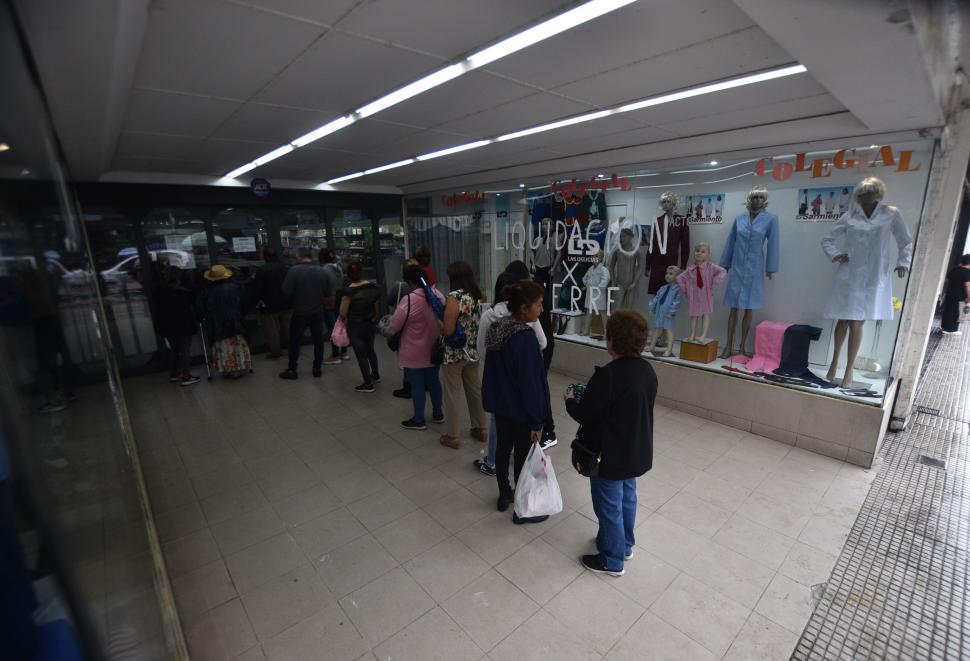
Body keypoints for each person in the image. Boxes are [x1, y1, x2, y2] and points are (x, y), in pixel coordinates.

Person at [565, 310, 657, 577]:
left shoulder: (609, 375)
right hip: (635, 451)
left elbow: (583, 413)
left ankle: (612, 560)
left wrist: (570, 399)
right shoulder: (647, 371)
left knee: (608, 507)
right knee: (627, 498)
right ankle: (625, 545)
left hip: (609, 456)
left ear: (612, 340)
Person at [482, 280, 551, 524]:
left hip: (502, 406)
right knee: (523, 458)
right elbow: (531, 384)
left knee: (502, 450)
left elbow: (490, 371)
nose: (541, 310)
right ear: (524, 308)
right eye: (539, 305)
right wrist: (537, 419)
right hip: (522, 412)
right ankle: (522, 509)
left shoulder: (497, 328)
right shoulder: (525, 339)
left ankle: (504, 493)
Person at [474, 270, 547, 476]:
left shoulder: (491, 318)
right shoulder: (526, 330)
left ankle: (498, 476)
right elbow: (543, 343)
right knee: (521, 441)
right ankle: (518, 491)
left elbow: (481, 350)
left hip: (499, 387)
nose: (541, 309)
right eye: (539, 304)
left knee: (501, 434)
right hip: (521, 398)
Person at [438, 261, 488, 449]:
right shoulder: (475, 296)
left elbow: (449, 330)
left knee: (452, 394)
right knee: (474, 391)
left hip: (454, 355)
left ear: (454, 277)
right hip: (472, 352)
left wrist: (438, 321)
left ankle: (453, 436)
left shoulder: (454, 297)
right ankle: (480, 428)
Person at [390, 264, 445, 430]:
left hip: (413, 352)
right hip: (435, 349)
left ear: (410, 282)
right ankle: (438, 414)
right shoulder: (438, 295)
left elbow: (395, 325)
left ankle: (419, 419)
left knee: (417, 385)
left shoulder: (409, 300)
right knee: (434, 382)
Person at [279, 247, 332, 379]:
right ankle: (317, 368)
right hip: (317, 311)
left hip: (300, 311)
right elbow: (327, 292)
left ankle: (292, 369)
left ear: (298, 256)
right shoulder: (322, 271)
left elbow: (286, 291)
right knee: (318, 340)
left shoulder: (294, 271)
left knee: (295, 341)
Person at [197, 264, 252, 379]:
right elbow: (244, 303)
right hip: (235, 319)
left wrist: (200, 317)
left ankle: (226, 369)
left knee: (222, 345)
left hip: (217, 323)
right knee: (237, 343)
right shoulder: (236, 286)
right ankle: (238, 368)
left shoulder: (207, 290)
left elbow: (201, 308)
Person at [154, 264, 200, 385]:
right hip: (183, 324)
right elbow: (192, 302)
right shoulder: (183, 291)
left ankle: (174, 374)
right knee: (185, 350)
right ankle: (186, 375)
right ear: (178, 275)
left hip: (168, 326)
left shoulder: (159, 290)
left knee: (174, 350)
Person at [339, 261, 381, 391]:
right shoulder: (372, 287)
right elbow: (376, 307)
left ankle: (368, 384)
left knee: (361, 354)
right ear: (362, 272)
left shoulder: (348, 291)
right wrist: (373, 318)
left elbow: (343, 312)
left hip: (356, 326)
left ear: (348, 274)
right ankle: (375, 374)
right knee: (371, 350)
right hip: (370, 323)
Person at [251, 248, 291, 359]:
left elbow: (257, 290)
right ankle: (291, 347)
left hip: (269, 305)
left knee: (272, 330)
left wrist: (257, 302)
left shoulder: (261, 270)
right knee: (287, 327)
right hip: (286, 303)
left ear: (266, 257)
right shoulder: (285, 268)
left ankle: (275, 351)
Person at [390, 258, 420, 399]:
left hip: (405, 328)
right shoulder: (426, 287)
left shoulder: (399, 287)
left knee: (407, 358)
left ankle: (408, 387)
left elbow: (390, 301)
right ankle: (423, 384)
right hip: (423, 327)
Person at [320, 249, 349, 364]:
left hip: (328, 301)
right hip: (340, 299)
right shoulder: (339, 268)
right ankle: (344, 352)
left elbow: (323, 287)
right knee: (342, 326)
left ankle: (335, 355)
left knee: (333, 329)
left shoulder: (323, 270)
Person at [941, 254, 970, 335]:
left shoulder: (955, 269)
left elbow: (946, 280)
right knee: (956, 312)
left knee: (948, 309)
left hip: (950, 293)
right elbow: (967, 286)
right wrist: (969, 297)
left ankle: (944, 327)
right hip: (960, 296)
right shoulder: (967, 272)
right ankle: (951, 330)